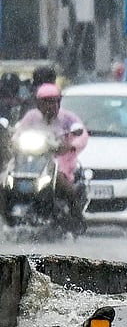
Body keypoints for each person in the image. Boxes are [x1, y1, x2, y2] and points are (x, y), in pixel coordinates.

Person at [14, 82, 89, 231]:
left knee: (63, 184)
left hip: (61, 162)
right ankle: (9, 216)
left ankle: (77, 216)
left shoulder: (68, 118)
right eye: (46, 102)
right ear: (38, 103)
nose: (50, 106)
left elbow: (82, 134)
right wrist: (15, 141)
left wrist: (71, 145)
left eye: (54, 101)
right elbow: (18, 133)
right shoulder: (31, 117)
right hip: (32, 162)